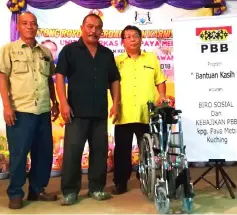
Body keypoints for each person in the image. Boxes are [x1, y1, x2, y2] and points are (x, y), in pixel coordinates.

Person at [55, 13, 120, 205]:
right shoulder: (69, 50)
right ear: (82, 27)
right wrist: (63, 103)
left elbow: (114, 79)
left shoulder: (107, 53)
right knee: (72, 153)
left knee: (99, 152)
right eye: (90, 26)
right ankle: (69, 191)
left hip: (100, 111)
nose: (93, 30)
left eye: (97, 27)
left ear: (102, 30)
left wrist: (115, 102)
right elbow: (59, 76)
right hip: (76, 112)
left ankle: (97, 188)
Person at [0, 12, 59, 209]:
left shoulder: (45, 52)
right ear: (18, 26)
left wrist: (55, 102)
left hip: (42, 110)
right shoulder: (9, 50)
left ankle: (37, 190)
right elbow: (2, 79)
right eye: (25, 23)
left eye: (33, 24)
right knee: (19, 154)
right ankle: (16, 193)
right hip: (20, 111)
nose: (29, 27)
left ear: (37, 27)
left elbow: (49, 79)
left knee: (43, 153)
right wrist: (6, 107)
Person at [112, 25, 166, 195]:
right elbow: (111, 84)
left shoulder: (151, 59)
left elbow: (160, 80)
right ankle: (121, 182)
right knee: (122, 150)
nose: (132, 39)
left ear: (141, 39)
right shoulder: (116, 61)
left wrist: (162, 95)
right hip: (124, 113)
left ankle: (145, 175)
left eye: (135, 35)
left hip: (146, 112)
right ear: (123, 42)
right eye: (128, 36)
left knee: (148, 148)